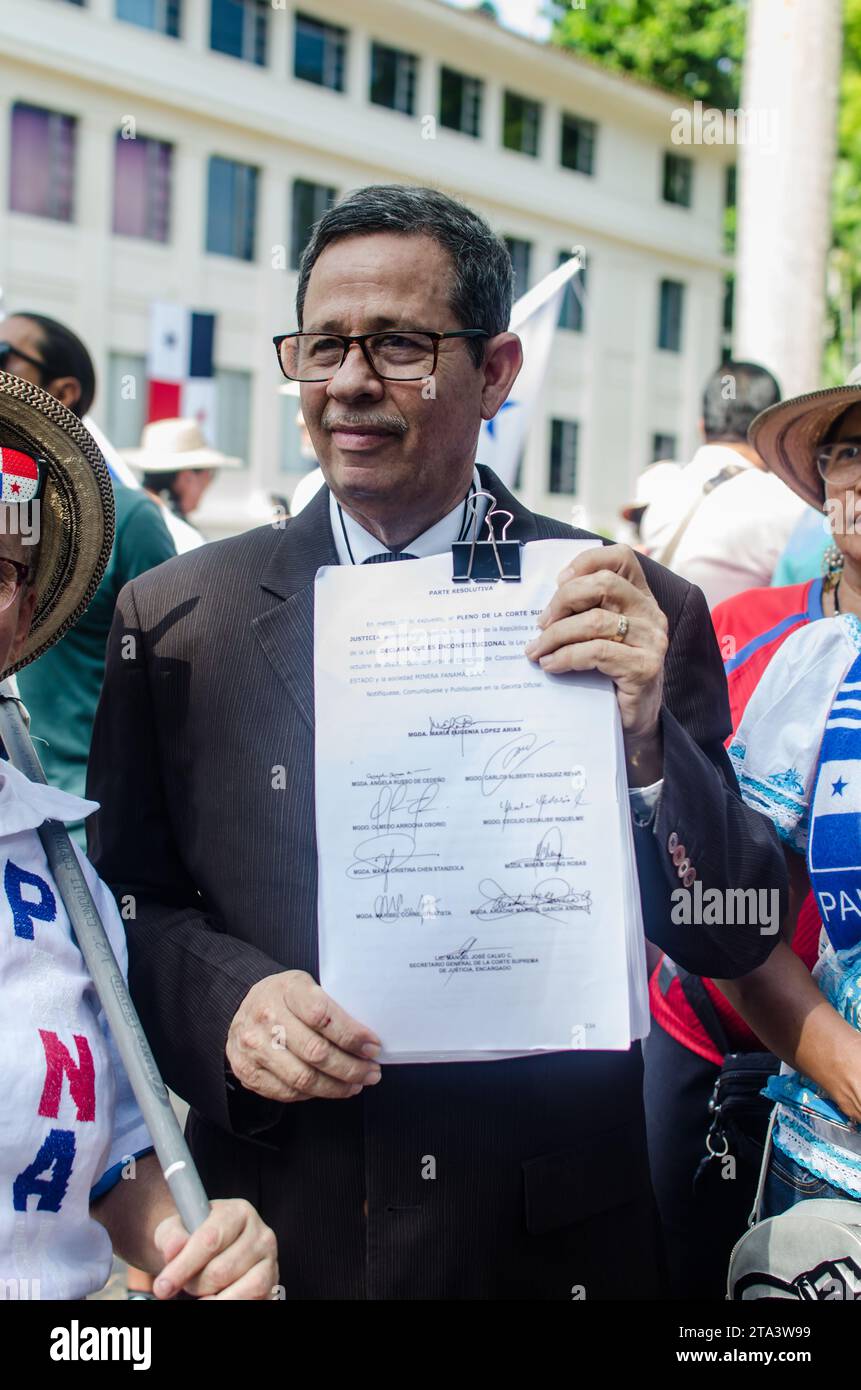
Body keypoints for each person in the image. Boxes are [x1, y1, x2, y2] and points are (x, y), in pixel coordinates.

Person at [86, 184, 785, 1301]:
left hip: (549, 1242)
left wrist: (654, 749)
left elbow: (733, 929)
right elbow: (123, 902)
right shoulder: (179, 620)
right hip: (281, 1239)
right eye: (323, 347)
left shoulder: (625, 604)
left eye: (401, 344)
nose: (351, 382)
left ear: (497, 371)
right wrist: (227, 1002)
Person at [0, 370, 278, 1300]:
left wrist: (192, 1238)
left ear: (24, 616)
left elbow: (113, 1154)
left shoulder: (56, 861)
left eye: (0, 568)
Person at [715, 375, 861, 1217]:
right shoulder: (810, 665)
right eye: (844, 455)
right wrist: (834, 1057)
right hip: (835, 1170)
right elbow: (716, 902)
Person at [0, 313, 175, 843]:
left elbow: (171, 694)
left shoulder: (129, 522)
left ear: (65, 390)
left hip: (78, 831)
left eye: (5, 352)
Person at [643, 361, 804, 607]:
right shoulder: (788, 504)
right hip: (732, 645)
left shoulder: (657, 486)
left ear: (701, 427)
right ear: (772, 432)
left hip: (662, 641)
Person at [124, 416, 242, 554]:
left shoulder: (124, 516)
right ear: (187, 477)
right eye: (209, 472)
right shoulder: (184, 539)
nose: (209, 482)